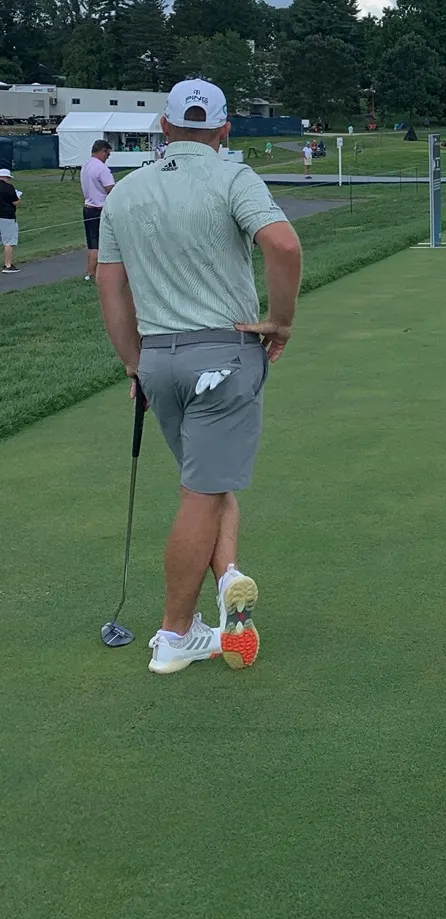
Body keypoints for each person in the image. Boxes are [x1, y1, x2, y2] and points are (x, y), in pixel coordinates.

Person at [96, 79, 303, 677]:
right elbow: (284, 246)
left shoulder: (126, 193)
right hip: (225, 355)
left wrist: (132, 361)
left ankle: (229, 577)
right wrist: (281, 323)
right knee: (201, 491)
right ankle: (174, 635)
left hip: (158, 359)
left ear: (163, 129)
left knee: (209, 484)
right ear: (223, 130)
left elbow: (111, 284)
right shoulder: (233, 177)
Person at [80, 139, 116, 282]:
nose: (108, 157)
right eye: (108, 154)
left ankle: (90, 272)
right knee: (102, 242)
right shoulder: (102, 168)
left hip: (88, 207)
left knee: (91, 242)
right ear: (102, 151)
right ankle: (96, 271)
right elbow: (110, 189)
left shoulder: (86, 166)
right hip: (100, 208)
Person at [0, 167, 22, 271]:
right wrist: (19, 198)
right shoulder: (8, 188)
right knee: (8, 241)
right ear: (7, 177)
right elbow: (15, 202)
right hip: (6, 216)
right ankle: (7, 265)